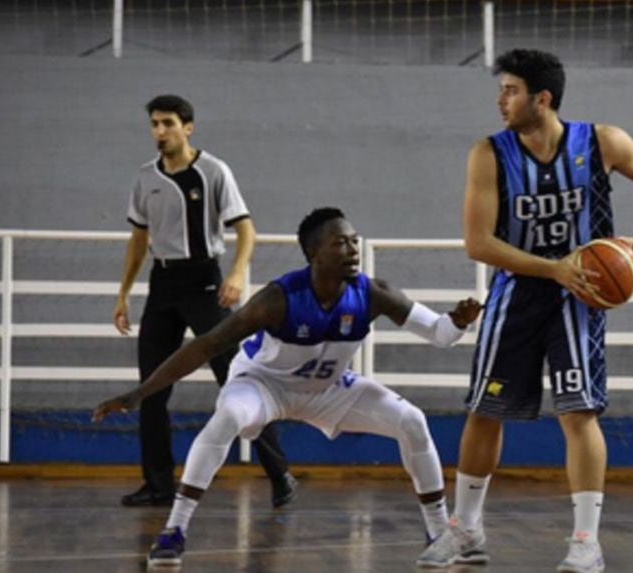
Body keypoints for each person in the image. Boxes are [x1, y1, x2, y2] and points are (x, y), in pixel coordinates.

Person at [95, 207, 483, 568]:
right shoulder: (278, 299)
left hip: (329, 391)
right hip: (263, 386)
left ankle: (437, 532)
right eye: (340, 242)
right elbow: (206, 344)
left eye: (354, 240)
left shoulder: (371, 293)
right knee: (228, 415)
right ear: (315, 254)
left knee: (411, 420)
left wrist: (460, 320)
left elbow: (440, 333)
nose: (353, 248)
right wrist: (140, 392)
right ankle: (174, 531)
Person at [417, 49, 633, 572]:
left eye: (510, 90)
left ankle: (585, 542)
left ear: (541, 98)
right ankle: (465, 530)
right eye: (501, 89)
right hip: (519, 291)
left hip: (580, 297)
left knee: (579, 412)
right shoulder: (489, 153)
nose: (500, 99)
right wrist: (552, 268)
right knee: (485, 410)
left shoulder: (602, 142)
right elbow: (478, 244)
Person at [112, 94, 294, 508]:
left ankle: (280, 473)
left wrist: (236, 273)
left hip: (204, 283)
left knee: (239, 380)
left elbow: (246, 230)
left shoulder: (213, 171)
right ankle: (158, 484)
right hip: (163, 285)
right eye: (155, 124)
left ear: (187, 127)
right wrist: (122, 294)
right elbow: (138, 240)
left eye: (168, 124)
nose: (160, 132)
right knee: (151, 387)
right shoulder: (145, 178)